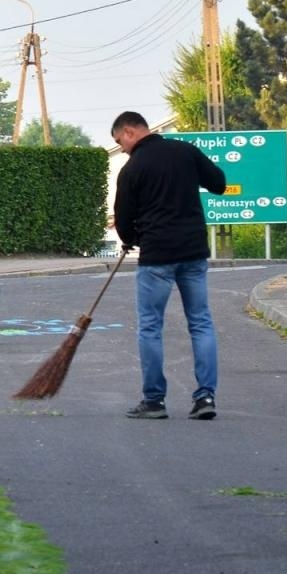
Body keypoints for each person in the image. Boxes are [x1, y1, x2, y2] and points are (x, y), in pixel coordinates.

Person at [111, 111, 228, 421]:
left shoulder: (133, 168)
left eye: (119, 140)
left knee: (150, 327)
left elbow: (123, 220)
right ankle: (205, 396)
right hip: (193, 252)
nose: (121, 147)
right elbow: (218, 183)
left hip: (157, 257)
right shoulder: (185, 151)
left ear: (130, 131)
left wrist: (132, 238)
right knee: (200, 323)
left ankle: (154, 401)